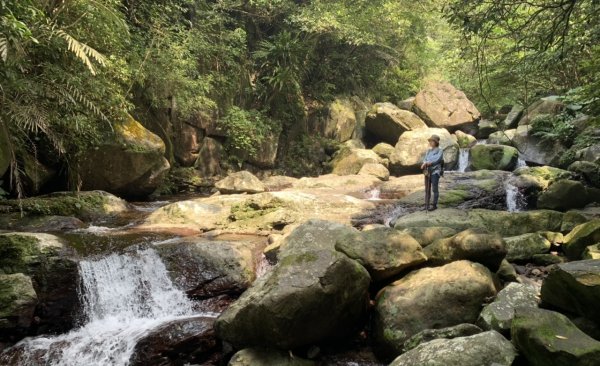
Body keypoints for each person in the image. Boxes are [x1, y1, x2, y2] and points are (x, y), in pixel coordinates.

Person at [420, 134, 444, 211]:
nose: (430, 142)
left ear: (436, 142)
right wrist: (424, 163)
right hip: (427, 172)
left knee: (434, 189)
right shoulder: (428, 151)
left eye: (432, 141)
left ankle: (434, 205)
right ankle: (426, 205)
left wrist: (427, 163)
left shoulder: (440, 151)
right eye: (430, 141)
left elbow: (437, 159)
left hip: (435, 172)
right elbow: (425, 159)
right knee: (427, 189)